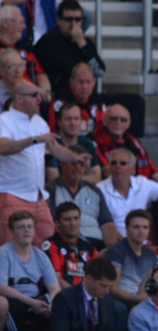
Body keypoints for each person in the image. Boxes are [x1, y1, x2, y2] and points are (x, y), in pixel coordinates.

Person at [0, 82, 90, 247]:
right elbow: (3, 147)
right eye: (34, 95)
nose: (39, 99)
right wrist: (35, 140)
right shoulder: (4, 120)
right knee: (9, 249)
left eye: (40, 95)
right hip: (13, 195)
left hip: (38, 197)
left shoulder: (39, 122)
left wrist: (75, 157)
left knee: (48, 246)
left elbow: (55, 149)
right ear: (19, 98)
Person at [46, 144, 119, 250]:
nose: (78, 167)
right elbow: (52, 223)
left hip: (97, 246)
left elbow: (107, 224)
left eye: (82, 164)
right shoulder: (51, 189)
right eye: (73, 163)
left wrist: (110, 250)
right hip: (67, 245)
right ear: (62, 163)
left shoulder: (95, 191)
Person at [0, 210, 61, 330]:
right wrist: (31, 302)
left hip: (36, 300)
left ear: (34, 231)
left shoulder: (41, 256)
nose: (26, 230)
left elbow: (55, 288)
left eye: (29, 227)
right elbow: (1, 287)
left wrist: (51, 304)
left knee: (59, 306)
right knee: (14, 306)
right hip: (15, 300)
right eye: (21, 227)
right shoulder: (3, 253)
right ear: (12, 232)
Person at [33, 0, 105, 91]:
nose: (73, 24)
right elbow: (74, 72)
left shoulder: (84, 42)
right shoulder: (48, 42)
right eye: (69, 20)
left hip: (83, 96)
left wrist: (83, 45)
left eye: (78, 19)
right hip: (58, 95)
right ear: (59, 20)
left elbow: (99, 71)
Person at [104, 209, 158, 309]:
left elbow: (145, 285)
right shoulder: (116, 251)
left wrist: (140, 300)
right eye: (136, 227)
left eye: (145, 227)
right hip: (118, 302)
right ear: (127, 228)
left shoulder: (151, 255)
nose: (141, 231)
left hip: (139, 302)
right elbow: (112, 288)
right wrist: (136, 299)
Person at [94, 103, 158, 180]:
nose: (118, 122)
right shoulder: (96, 141)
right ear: (105, 121)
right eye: (114, 119)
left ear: (128, 124)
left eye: (123, 120)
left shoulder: (135, 143)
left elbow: (153, 171)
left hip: (141, 184)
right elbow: (106, 172)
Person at [50, 257, 118, 331]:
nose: (107, 291)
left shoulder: (107, 299)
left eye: (109, 286)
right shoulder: (64, 300)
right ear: (89, 279)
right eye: (103, 286)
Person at [41, 202, 98, 290]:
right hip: (62, 296)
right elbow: (55, 278)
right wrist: (77, 294)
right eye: (67, 219)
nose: (73, 223)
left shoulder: (89, 248)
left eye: (76, 218)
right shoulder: (51, 244)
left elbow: (96, 278)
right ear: (57, 223)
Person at [0, 5, 51, 102]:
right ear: (5, 23)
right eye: (20, 23)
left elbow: (41, 75)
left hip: (32, 98)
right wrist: (36, 91)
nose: (24, 27)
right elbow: (13, 78)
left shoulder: (25, 49)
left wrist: (46, 92)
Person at [46, 102, 102, 184]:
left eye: (76, 119)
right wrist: (82, 178)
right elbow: (54, 179)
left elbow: (97, 178)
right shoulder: (51, 143)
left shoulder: (88, 144)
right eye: (68, 119)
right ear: (59, 122)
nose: (73, 123)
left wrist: (71, 179)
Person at [48, 62, 105, 136]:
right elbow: (53, 131)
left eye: (88, 82)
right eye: (80, 82)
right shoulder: (60, 100)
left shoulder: (99, 102)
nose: (84, 86)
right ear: (71, 81)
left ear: (94, 82)